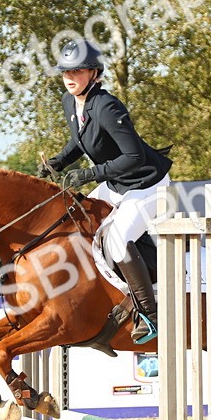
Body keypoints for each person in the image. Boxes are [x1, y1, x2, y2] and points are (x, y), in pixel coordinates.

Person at [37, 39, 172, 343]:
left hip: (147, 184)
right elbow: (80, 140)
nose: (70, 77)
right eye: (66, 72)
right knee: (77, 219)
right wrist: (60, 160)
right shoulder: (70, 101)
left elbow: (134, 157)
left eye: (77, 71)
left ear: (94, 73)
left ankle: (150, 314)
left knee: (119, 240)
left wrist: (88, 174)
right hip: (116, 185)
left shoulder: (108, 106)